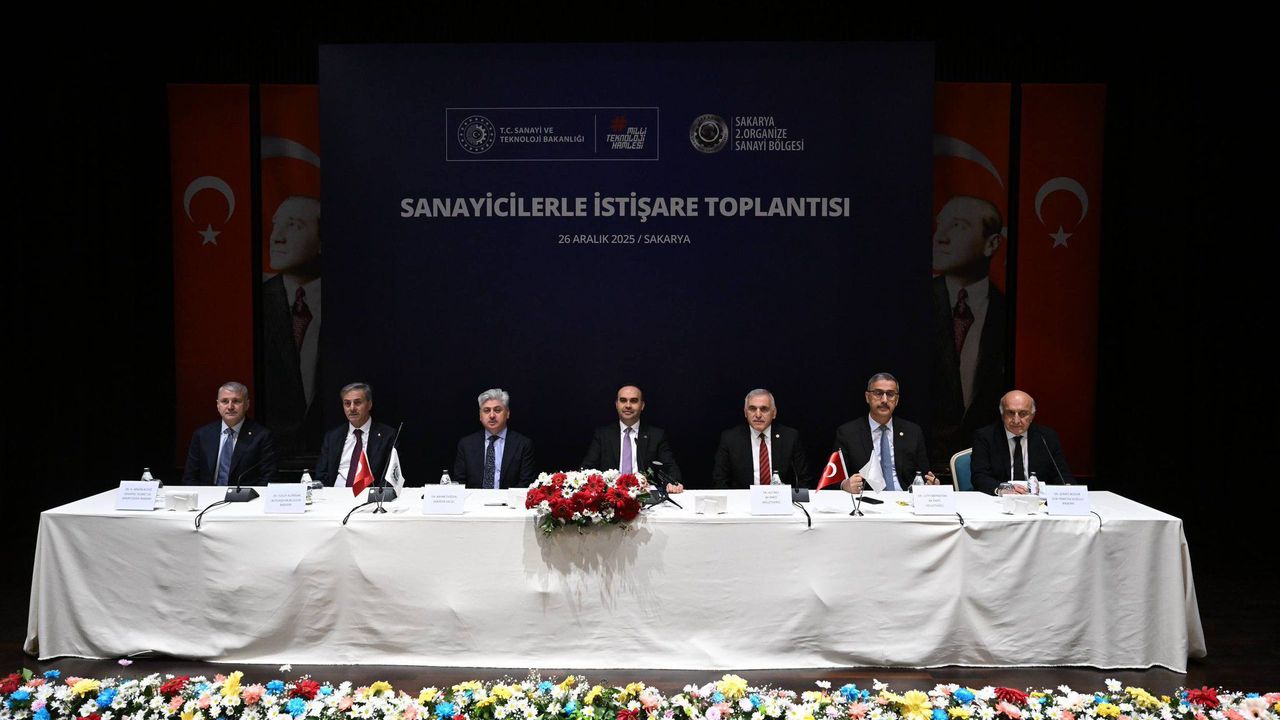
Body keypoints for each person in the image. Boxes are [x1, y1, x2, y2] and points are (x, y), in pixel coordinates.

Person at [929, 195, 1008, 468]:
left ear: (992, 244)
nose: (940, 237)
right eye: (940, 224)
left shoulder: (1007, 312)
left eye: (958, 226)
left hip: (985, 463)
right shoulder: (910, 306)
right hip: (926, 463)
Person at [261, 195, 323, 454]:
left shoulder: (353, 304)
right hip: (272, 455)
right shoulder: (255, 303)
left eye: (294, 225)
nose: (276, 237)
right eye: (276, 225)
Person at [831, 373, 936, 493]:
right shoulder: (847, 433)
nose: (884, 400)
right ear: (867, 397)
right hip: (866, 498)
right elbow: (834, 478)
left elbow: (924, 475)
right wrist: (845, 484)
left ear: (897, 400)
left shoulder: (913, 432)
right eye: (878, 393)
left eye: (890, 394)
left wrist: (931, 483)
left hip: (905, 498)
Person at [582, 385, 684, 493]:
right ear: (617, 404)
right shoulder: (602, 435)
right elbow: (587, 469)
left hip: (645, 495)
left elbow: (671, 467)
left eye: (634, 401)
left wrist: (672, 482)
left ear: (642, 405)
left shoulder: (656, 435)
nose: (628, 405)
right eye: (623, 400)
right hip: (611, 496)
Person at [970, 390, 1074, 495]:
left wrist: (1068, 489)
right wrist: (1002, 489)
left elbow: (1062, 474)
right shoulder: (985, 437)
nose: (1016, 420)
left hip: (1037, 499)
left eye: (1023, 414)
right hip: (1000, 499)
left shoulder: (1046, 437)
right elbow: (979, 476)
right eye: (1010, 413)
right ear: (1002, 415)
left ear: (1032, 416)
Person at [315, 382, 405, 494]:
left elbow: (391, 477)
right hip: (335, 495)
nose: (352, 408)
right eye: (347, 403)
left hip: (369, 496)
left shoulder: (387, 435)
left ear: (369, 404)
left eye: (357, 403)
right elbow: (321, 475)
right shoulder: (333, 437)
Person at [711, 389, 812, 489]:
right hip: (744, 498)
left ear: (774, 413)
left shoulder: (790, 437)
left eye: (764, 409)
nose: (758, 415)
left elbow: (803, 479)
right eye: (752, 409)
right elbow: (720, 480)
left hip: (780, 498)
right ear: (745, 413)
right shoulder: (730, 438)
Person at [182, 382, 277, 485]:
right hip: (207, 494)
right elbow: (189, 478)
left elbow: (268, 478)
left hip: (244, 495)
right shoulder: (202, 435)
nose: (230, 407)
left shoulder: (261, 436)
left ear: (247, 405)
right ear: (218, 405)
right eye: (224, 401)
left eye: (236, 401)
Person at [453, 388, 536, 488]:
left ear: (507, 413)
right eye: (486, 410)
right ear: (480, 416)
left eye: (497, 410)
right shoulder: (466, 444)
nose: (492, 415)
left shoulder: (523, 444)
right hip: (474, 498)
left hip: (510, 498)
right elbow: (459, 484)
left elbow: (526, 484)